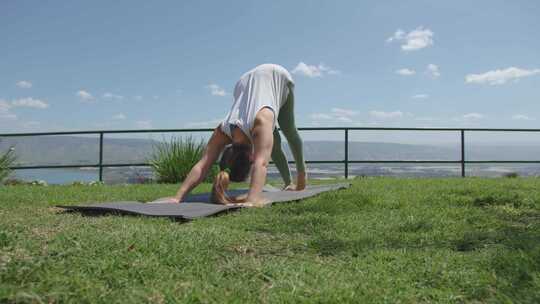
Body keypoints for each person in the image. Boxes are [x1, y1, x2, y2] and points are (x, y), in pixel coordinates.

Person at [155, 63, 306, 206]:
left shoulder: (260, 121)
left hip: (275, 74)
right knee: (272, 144)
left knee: (289, 130)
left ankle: (301, 179)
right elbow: (202, 165)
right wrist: (177, 198)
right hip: (243, 81)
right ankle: (288, 184)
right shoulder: (223, 129)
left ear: (250, 157)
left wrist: (252, 199)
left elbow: (261, 163)